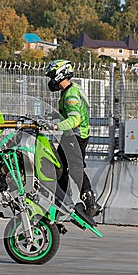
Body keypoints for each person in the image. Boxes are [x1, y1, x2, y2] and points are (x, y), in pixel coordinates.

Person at [45, 59, 101, 218]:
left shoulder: (70, 95)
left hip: (75, 136)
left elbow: (75, 118)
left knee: (71, 169)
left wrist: (56, 127)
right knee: (62, 168)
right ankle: (61, 202)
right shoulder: (72, 89)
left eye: (51, 76)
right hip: (74, 135)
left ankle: (90, 204)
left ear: (60, 74)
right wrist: (54, 116)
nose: (50, 80)